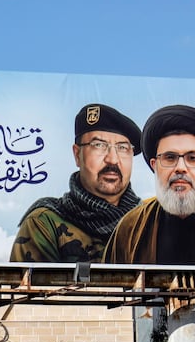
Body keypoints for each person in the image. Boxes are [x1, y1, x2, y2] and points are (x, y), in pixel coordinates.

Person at [10, 103, 143, 263]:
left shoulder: (149, 222)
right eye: (99, 145)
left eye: (123, 148)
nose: (112, 159)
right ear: (77, 154)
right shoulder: (45, 223)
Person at [103, 104, 195, 265]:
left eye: (192, 158)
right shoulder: (130, 228)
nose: (180, 168)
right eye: (170, 158)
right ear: (154, 165)